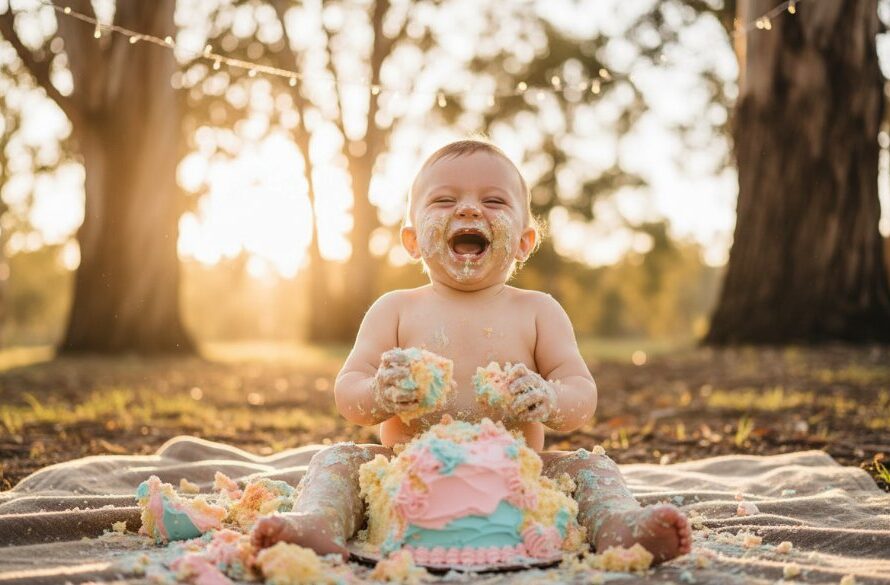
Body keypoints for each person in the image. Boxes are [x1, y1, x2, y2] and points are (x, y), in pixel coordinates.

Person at [251, 139, 691, 564]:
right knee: (338, 460)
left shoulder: (538, 311)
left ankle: (618, 525)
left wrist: (550, 398)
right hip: (405, 474)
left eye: (494, 201)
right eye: (444, 200)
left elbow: (581, 392)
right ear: (412, 240)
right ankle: (319, 523)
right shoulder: (395, 309)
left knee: (589, 468)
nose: (468, 208)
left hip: (520, 475)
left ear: (523, 241)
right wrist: (381, 395)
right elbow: (349, 392)